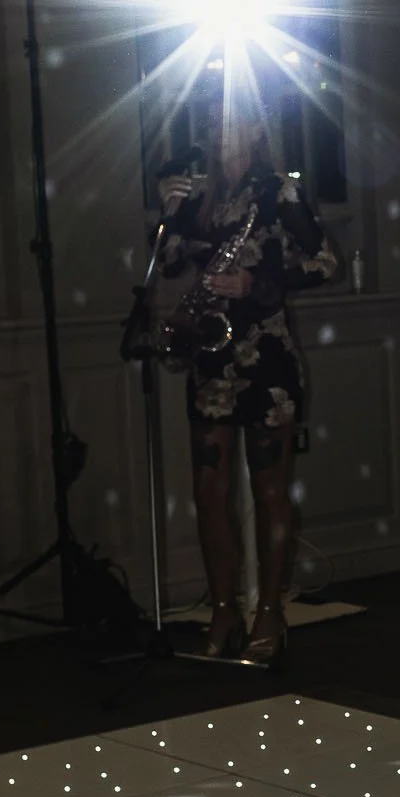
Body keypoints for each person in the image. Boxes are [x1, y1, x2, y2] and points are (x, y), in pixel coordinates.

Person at [157, 93, 338, 666]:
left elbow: (327, 262)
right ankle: (223, 610)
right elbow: (168, 265)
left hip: (267, 360)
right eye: (217, 121)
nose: (224, 130)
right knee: (208, 493)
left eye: (234, 121)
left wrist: (259, 280)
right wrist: (170, 214)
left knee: (268, 490)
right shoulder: (201, 196)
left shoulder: (279, 191)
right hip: (212, 362)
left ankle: (270, 614)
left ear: (256, 130)